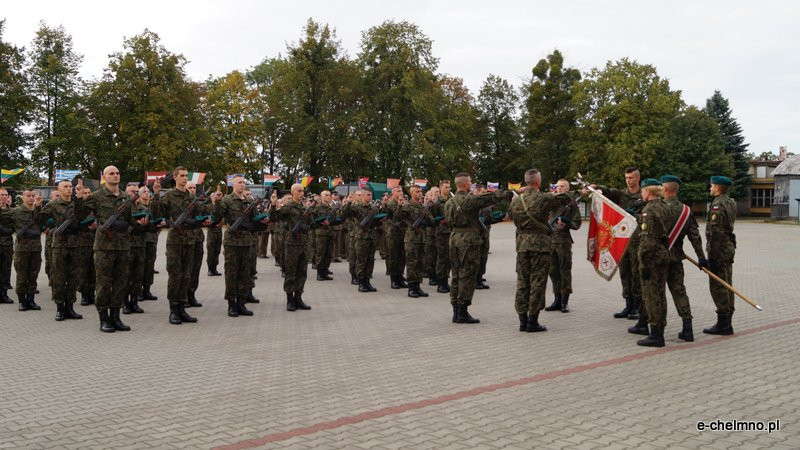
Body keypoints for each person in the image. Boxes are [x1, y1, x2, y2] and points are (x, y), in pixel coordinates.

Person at [74, 167, 142, 333]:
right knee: (104, 283)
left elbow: (131, 220)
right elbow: (80, 216)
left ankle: (116, 317)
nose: (115, 175)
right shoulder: (96, 196)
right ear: (104, 177)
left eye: (117, 173)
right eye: (111, 173)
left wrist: (141, 224)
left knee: (120, 282)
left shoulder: (126, 197)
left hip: (123, 246)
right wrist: (79, 198)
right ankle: (104, 318)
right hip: (104, 247)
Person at [445, 172, 512, 324]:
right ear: (465, 184)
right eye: (470, 182)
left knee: (456, 275)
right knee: (467, 275)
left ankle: (456, 310)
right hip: (468, 240)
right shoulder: (469, 200)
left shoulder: (449, 202)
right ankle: (462, 311)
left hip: (454, 238)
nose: (471, 184)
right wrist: (509, 192)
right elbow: (490, 197)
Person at [509, 170, 571, 332]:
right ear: (538, 181)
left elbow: (512, 218)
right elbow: (565, 199)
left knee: (522, 282)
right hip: (540, 246)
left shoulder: (516, 201)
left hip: (522, 245)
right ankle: (532, 321)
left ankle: (522, 320)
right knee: (538, 282)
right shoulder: (543, 198)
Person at [151, 167, 202, 325]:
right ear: (175, 177)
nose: (185, 178)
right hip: (175, 241)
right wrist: (156, 194)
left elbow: (198, 216)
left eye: (186, 176)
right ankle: (173, 310)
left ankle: (182, 308)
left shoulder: (191, 197)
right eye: (182, 176)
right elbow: (156, 213)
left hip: (189, 240)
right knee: (175, 276)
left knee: (186, 276)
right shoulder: (169, 196)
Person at [660, 175, 707, 342]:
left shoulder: (658, 208)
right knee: (679, 292)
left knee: (657, 293)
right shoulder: (686, 210)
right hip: (676, 259)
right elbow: (695, 236)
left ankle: (656, 330)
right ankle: (688, 329)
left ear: (665, 189)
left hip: (658, 260)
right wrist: (701, 258)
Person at [212, 176, 267, 316]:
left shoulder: (249, 201)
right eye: (239, 182)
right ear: (233, 184)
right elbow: (217, 218)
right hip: (232, 243)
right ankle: (232, 304)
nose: (242, 185)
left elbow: (255, 219)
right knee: (231, 273)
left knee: (245, 274)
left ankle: (241, 303)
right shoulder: (227, 200)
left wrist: (262, 221)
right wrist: (217, 203)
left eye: (243, 182)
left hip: (247, 242)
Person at [595, 167, 643, 319]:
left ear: (638, 178)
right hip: (622, 241)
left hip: (637, 241)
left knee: (636, 274)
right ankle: (628, 304)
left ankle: (638, 307)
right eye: (626, 178)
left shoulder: (644, 195)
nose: (628, 180)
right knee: (624, 273)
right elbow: (608, 191)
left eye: (631, 178)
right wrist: (596, 187)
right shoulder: (621, 194)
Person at [41, 180, 83, 321]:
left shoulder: (76, 203)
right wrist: (38, 207)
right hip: (59, 245)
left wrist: (80, 198)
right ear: (59, 190)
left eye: (70, 186)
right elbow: (39, 219)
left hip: (75, 244)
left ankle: (70, 308)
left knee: (73, 278)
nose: (69, 189)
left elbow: (83, 216)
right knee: (59, 277)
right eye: (65, 186)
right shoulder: (53, 204)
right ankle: (60, 308)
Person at [635, 180, 671, 347]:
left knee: (650, 295)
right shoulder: (664, 206)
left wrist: (644, 263)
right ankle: (660, 328)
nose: (641, 194)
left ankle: (656, 334)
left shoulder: (648, 211)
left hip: (652, 258)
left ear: (648, 193)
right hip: (663, 255)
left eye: (643, 191)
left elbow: (647, 240)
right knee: (660, 293)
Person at [269, 183, 313, 311]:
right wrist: (273, 205)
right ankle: (290, 300)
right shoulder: (288, 207)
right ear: (293, 192)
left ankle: (298, 298)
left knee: (302, 272)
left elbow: (312, 224)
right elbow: (273, 218)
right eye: (299, 191)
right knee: (290, 272)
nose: (301, 193)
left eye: (303, 191)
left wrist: (308, 222)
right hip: (292, 243)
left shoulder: (305, 207)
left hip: (304, 243)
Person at [702, 175, 737, 335]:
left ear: (717, 187)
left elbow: (715, 233)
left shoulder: (717, 205)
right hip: (728, 248)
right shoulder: (730, 202)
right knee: (727, 284)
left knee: (718, 286)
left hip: (719, 251)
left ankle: (723, 323)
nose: (710, 188)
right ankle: (727, 320)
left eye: (711, 186)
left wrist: (712, 257)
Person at [1, 188, 44, 311]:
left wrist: (39, 206)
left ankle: (31, 300)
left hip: (36, 248)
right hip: (22, 249)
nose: (31, 198)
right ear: (23, 198)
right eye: (28, 196)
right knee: (21, 276)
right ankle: (22, 301)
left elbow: (41, 222)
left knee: (33, 275)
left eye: (33, 196)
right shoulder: (16, 211)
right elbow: (3, 216)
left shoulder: (38, 210)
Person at [545, 179, 582, 313]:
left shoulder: (571, 204)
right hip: (550, 241)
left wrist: (566, 224)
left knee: (564, 271)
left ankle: (565, 302)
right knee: (553, 272)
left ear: (568, 189)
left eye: (562, 186)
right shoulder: (551, 202)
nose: (559, 188)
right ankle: (557, 299)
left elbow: (577, 224)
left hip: (563, 242)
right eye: (558, 186)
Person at [394, 185, 430, 298]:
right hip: (412, 239)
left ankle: (418, 286)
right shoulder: (407, 206)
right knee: (412, 263)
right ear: (411, 193)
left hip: (422, 239)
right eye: (417, 191)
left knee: (420, 263)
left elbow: (431, 221)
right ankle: (411, 288)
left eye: (420, 191)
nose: (420, 193)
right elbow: (397, 218)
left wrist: (428, 210)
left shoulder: (422, 207)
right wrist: (399, 206)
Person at [123, 185, 153, 315]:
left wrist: (146, 224)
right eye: (132, 191)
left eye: (136, 191)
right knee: (126, 276)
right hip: (126, 246)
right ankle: (125, 303)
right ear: (126, 193)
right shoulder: (123, 208)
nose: (135, 193)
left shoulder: (143, 209)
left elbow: (149, 228)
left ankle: (134, 302)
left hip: (140, 245)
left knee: (138, 276)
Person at [186, 181, 206, 308]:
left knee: (195, 269)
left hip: (197, 239)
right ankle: (183, 297)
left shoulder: (198, 203)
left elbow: (205, 214)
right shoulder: (182, 203)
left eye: (194, 188)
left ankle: (191, 294)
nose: (192, 190)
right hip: (186, 240)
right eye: (190, 188)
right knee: (186, 270)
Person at [77, 186, 97, 306]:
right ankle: (84, 295)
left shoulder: (94, 208)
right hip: (82, 243)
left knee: (94, 270)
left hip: (95, 242)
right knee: (83, 270)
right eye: (85, 193)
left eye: (89, 192)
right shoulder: (79, 208)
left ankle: (92, 293)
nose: (88, 194)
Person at [384, 187, 407, 289]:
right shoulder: (390, 204)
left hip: (403, 233)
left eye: (401, 191)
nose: (401, 193)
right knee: (393, 257)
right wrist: (399, 206)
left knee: (402, 257)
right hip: (393, 234)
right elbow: (395, 218)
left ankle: (400, 277)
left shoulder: (404, 203)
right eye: (398, 191)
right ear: (393, 193)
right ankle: (393, 279)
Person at [312, 190, 336, 281]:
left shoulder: (332, 209)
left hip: (330, 233)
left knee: (328, 253)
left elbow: (335, 220)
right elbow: (313, 221)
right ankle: (319, 273)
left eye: (329, 195)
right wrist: (320, 222)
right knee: (321, 253)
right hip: (321, 233)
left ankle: (325, 271)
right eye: (326, 195)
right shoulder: (317, 208)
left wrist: (330, 222)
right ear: (321, 197)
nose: (328, 197)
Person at [434, 180, 452, 293]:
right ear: (440, 188)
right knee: (442, 258)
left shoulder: (452, 200)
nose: (448, 189)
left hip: (450, 232)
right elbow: (432, 218)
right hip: (441, 233)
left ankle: (446, 281)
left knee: (449, 258)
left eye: (449, 187)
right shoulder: (437, 202)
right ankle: (440, 283)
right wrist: (440, 221)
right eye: (446, 187)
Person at [0, 187, 14, 304]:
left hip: (7, 245)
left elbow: (15, 227)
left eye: (5, 195)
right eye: (1, 195)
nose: (4, 197)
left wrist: (7, 230)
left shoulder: (12, 211)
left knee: (6, 269)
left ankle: (3, 294)